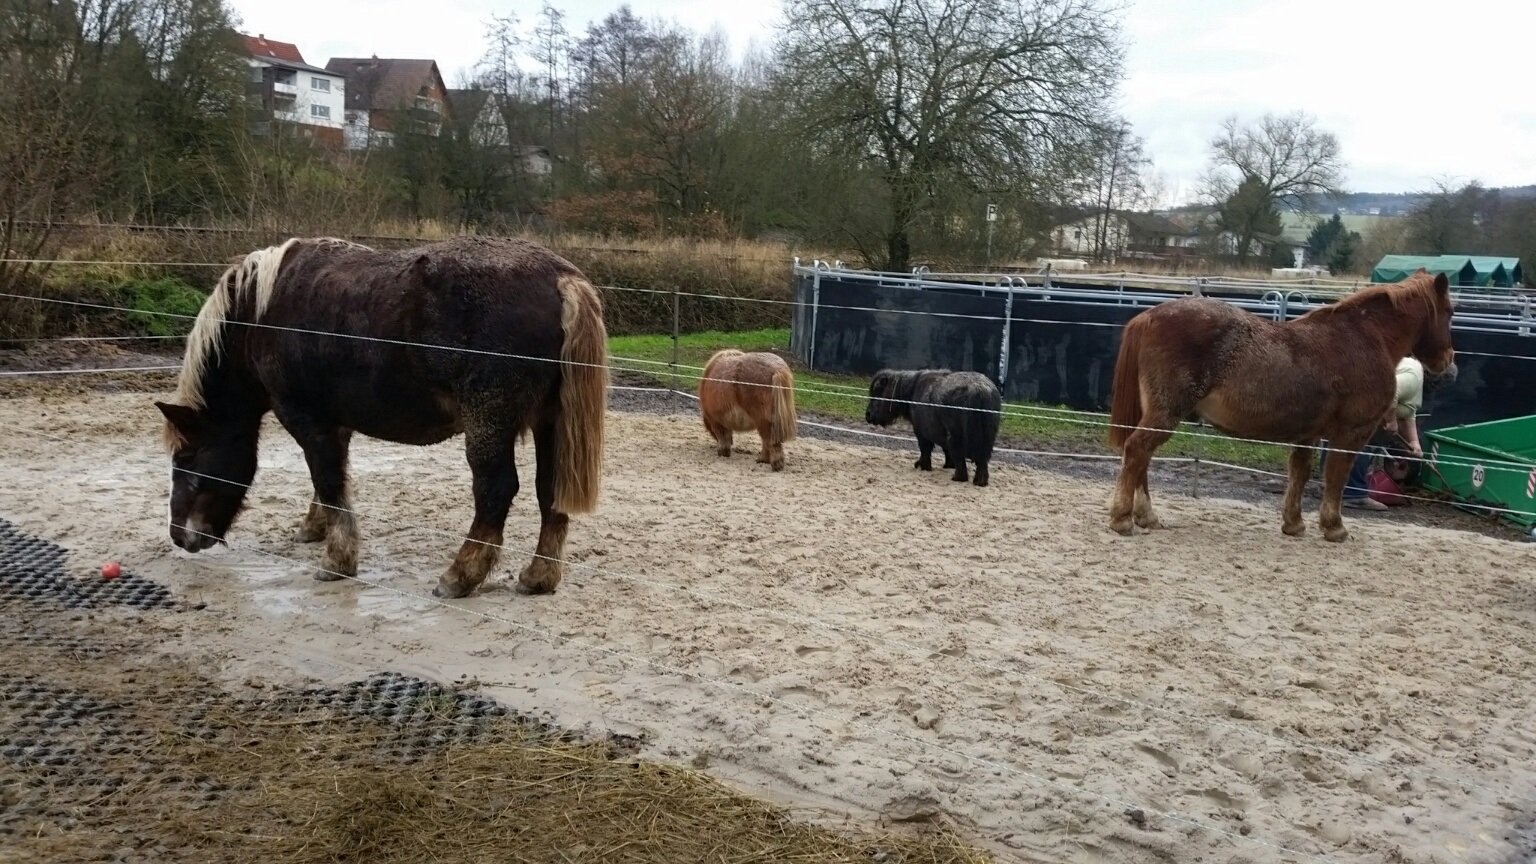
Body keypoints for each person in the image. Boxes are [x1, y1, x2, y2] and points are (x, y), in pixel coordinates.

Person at [1342, 356, 1433, 510]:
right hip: (1360, 394)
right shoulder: (1414, 377)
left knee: (1342, 438)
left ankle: (1332, 488)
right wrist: (1391, 421)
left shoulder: (1416, 378)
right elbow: (1390, 392)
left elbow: (1409, 411)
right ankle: (1354, 495)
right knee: (1360, 440)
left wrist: (1414, 441)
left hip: (1360, 391)